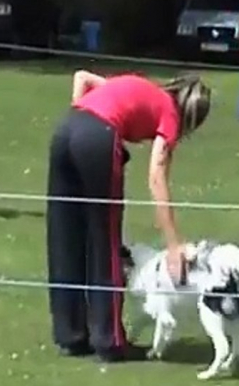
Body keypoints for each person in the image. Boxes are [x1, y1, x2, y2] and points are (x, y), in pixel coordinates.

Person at [46, 70, 211, 362]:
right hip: (97, 138)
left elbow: (81, 78)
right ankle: (109, 341)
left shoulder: (142, 88)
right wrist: (174, 247)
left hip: (66, 130)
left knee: (65, 235)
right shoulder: (170, 114)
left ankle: (70, 334)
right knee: (105, 241)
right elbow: (156, 178)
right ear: (190, 116)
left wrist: (80, 123)